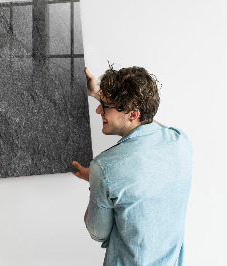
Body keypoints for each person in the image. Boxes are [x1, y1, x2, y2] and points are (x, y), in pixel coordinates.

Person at [72, 66, 192, 265]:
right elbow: (150, 125)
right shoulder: (181, 141)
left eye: (105, 106)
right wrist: (98, 94)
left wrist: (96, 180)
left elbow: (97, 233)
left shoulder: (104, 167)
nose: (98, 110)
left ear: (133, 114)